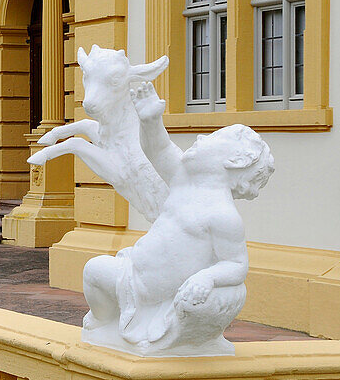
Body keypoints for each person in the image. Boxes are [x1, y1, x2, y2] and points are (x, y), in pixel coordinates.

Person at [81, 82, 275, 354]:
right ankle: (102, 320)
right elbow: (158, 150)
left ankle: (139, 324)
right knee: (94, 270)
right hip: (132, 273)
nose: (199, 139)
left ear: (235, 162)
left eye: (210, 140)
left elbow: (236, 264)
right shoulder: (183, 179)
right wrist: (150, 120)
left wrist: (207, 278)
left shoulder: (222, 215)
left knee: (95, 271)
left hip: (163, 292)